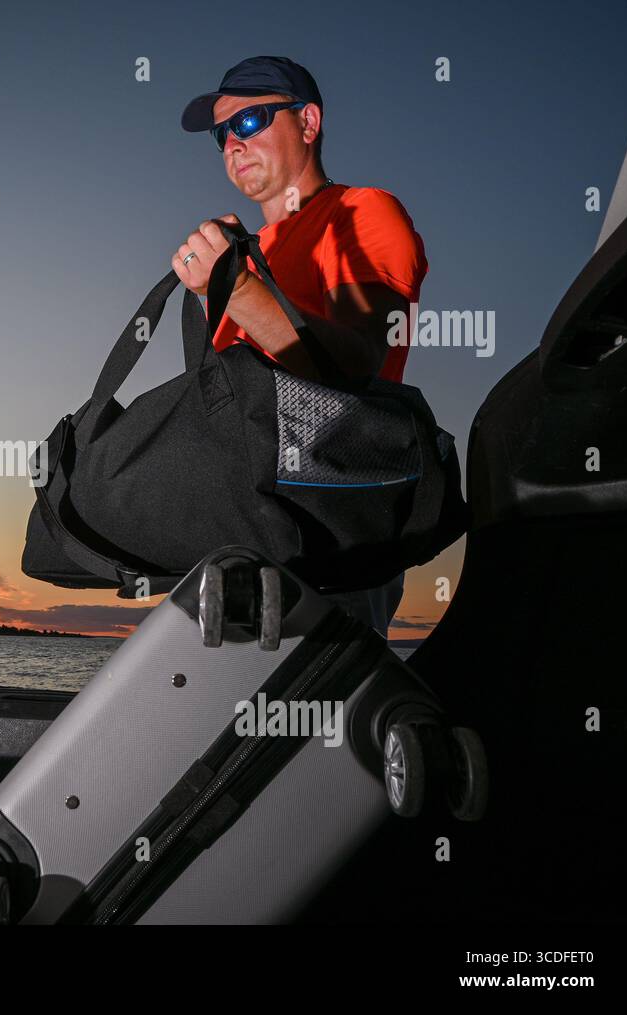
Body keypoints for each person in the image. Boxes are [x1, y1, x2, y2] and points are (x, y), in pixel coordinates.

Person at [174, 55, 429, 638]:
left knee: (324, 720)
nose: (232, 145)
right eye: (221, 134)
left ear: (308, 122)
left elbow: (356, 362)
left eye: (250, 121)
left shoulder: (363, 211)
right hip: (240, 534)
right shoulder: (246, 251)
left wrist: (235, 289)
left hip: (330, 529)